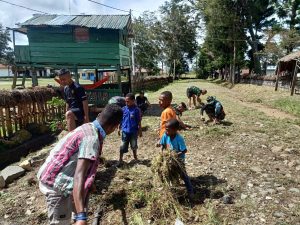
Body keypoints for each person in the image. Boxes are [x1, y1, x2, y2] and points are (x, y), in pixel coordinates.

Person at [37, 104, 123, 225]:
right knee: (62, 222)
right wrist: (82, 216)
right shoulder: (91, 139)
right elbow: (79, 175)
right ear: (114, 127)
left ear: (99, 115)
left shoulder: (89, 127)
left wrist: (89, 183)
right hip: (56, 185)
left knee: (76, 210)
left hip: (58, 175)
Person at [159, 119, 194, 198]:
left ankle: (190, 190)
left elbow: (184, 150)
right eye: (165, 129)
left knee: (183, 175)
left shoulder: (179, 138)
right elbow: (163, 145)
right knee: (168, 173)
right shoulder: (165, 135)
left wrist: (174, 156)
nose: (166, 131)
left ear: (175, 130)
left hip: (178, 160)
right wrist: (162, 153)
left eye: (168, 130)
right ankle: (170, 189)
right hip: (168, 159)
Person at [118, 93, 142, 166]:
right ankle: (120, 159)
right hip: (125, 131)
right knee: (122, 146)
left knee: (134, 145)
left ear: (133, 101)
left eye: (128, 101)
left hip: (133, 131)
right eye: (125, 101)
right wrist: (119, 128)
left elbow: (139, 121)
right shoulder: (123, 109)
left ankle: (135, 157)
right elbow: (121, 120)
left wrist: (140, 130)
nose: (126, 103)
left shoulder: (136, 110)